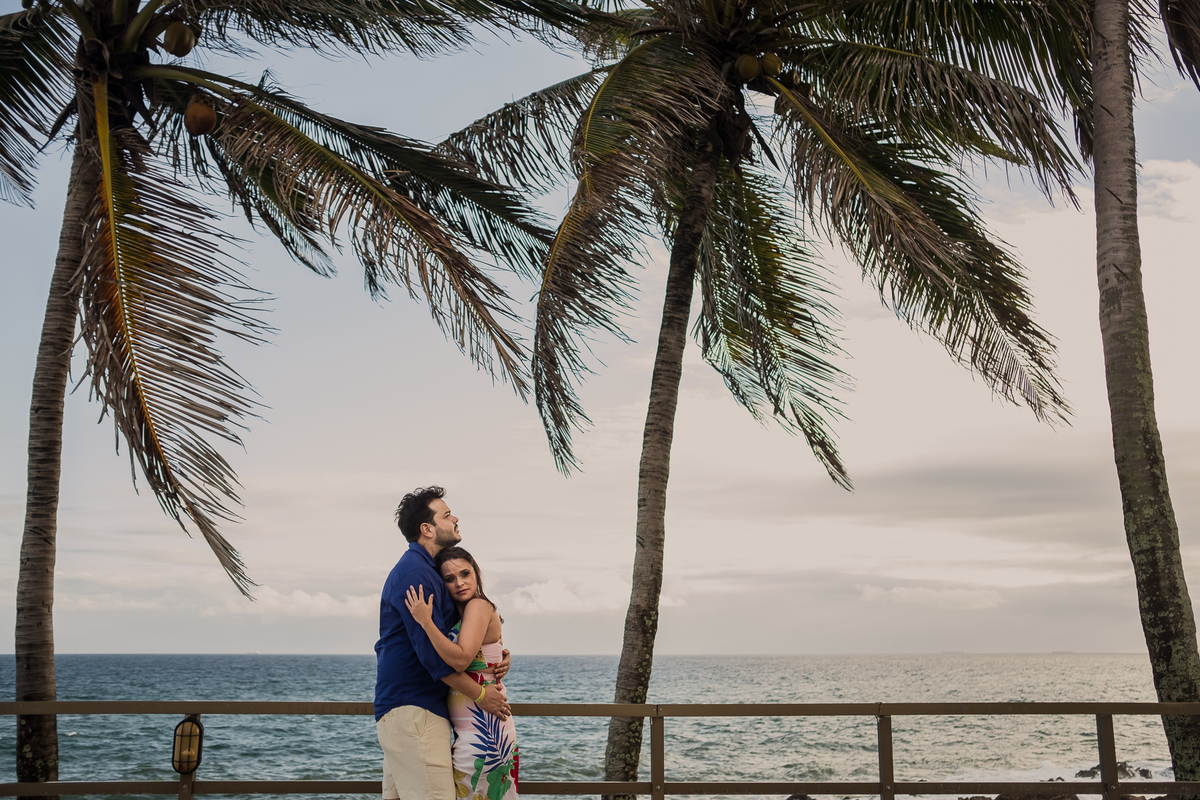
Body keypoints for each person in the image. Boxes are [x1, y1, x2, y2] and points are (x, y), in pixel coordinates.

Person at [374, 487, 512, 800]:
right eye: (447, 515)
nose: (455, 519)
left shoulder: (428, 571)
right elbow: (433, 658)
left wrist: (496, 655)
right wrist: (480, 693)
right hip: (415, 707)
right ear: (427, 528)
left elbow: (460, 635)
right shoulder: (417, 575)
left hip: (409, 707)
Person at [406, 545, 518, 800]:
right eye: (449, 579)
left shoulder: (478, 605)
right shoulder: (463, 614)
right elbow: (485, 658)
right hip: (473, 729)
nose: (459, 583)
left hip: (485, 731)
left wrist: (425, 622)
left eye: (465, 574)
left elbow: (461, 660)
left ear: (476, 573)